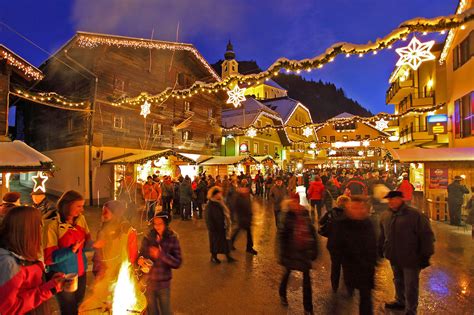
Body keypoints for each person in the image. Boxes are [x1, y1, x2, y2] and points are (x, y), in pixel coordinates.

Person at [0, 206, 64, 315]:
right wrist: (48, 290)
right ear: (27, 230)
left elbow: (27, 283)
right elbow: (7, 309)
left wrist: (49, 280)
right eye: (39, 225)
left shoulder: (22, 252)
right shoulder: (9, 263)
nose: (41, 229)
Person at [379, 191, 435, 315]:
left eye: (395, 199)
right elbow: (383, 235)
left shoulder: (415, 215)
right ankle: (400, 301)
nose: (392, 201)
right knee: (398, 280)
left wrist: (426, 255)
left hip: (411, 256)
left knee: (411, 285)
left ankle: (411, 310)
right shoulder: (386, 215)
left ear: (401, 199)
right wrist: (381, 249)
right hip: (394, 255)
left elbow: (427, 235)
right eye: (390, 199)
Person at [43, 190, 92, 315]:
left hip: (81, 271)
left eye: (82, 206)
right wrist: (71, 250)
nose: (81, 210)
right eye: (78, 206)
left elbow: (87, 244)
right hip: (63, 276)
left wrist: (96, 243)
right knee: (68, 309)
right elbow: (48, 258)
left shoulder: (81, 220)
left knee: (78, 304)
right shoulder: (51, 225)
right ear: (66, 204)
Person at [328, 195, 377, 315]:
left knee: (366, 300)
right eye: (355, 208)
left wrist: (373, 261)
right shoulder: (341, 224)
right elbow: (333, 245)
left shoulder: (369, 223)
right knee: (343, 298)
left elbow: (375, 244)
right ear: (349, 208)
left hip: (366, 269)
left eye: (361, 208)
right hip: (349, 267)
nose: (358, 211)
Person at [278, 193, 318, 315]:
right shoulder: (286, 217)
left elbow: (312, 232)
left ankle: (308, 308)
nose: (295, 205)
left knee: (307, 280)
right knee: (287, 273)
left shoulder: (305, 213)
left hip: (304, 251)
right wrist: (282, 253)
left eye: (296, 202)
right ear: (289, 203)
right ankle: (282, 293)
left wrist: (315, 250)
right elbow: (282, 237)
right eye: (292, 202)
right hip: (291, 250)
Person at [139, 213, 182, 315]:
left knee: (166, 311)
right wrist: (140, 259)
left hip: (163, 283)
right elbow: (142, 253)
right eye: (155, 224)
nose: (157, 227)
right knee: (152, 312)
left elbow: (177, 262)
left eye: (160, 224)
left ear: (166, 224)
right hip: (149, 283)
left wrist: (160, 254)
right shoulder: (149, 237)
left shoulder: (172, 238)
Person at [319, 195, 350, 292]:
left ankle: (334, 286)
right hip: (347, 244)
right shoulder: (350, 214)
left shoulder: (330, 213)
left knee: (335, 265)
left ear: (338, 203)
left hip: (333, 244)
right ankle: (348, 286)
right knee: (346, 265)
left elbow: (321, 222)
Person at [205, 186, 236, 263]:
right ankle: (213, 257)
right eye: (219, 193)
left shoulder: (220, 202)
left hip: (223, 226)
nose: (220, 195)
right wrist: (212, 227)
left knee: (225, 242)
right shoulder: (210, 204)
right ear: (214, 195)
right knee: (215, 243)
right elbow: (208, 217)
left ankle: (228, 256)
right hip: (215, 228)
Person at [230, 180, 258, 255]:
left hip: (246, 218)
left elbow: (249, 207)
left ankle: (231, 243)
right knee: (243, 232)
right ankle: (248, 248)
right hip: (243, 219)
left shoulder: (246, 197)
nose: (246, 192)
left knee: (240, 232)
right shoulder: (238, 198)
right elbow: (236, 208)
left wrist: (251, 215)